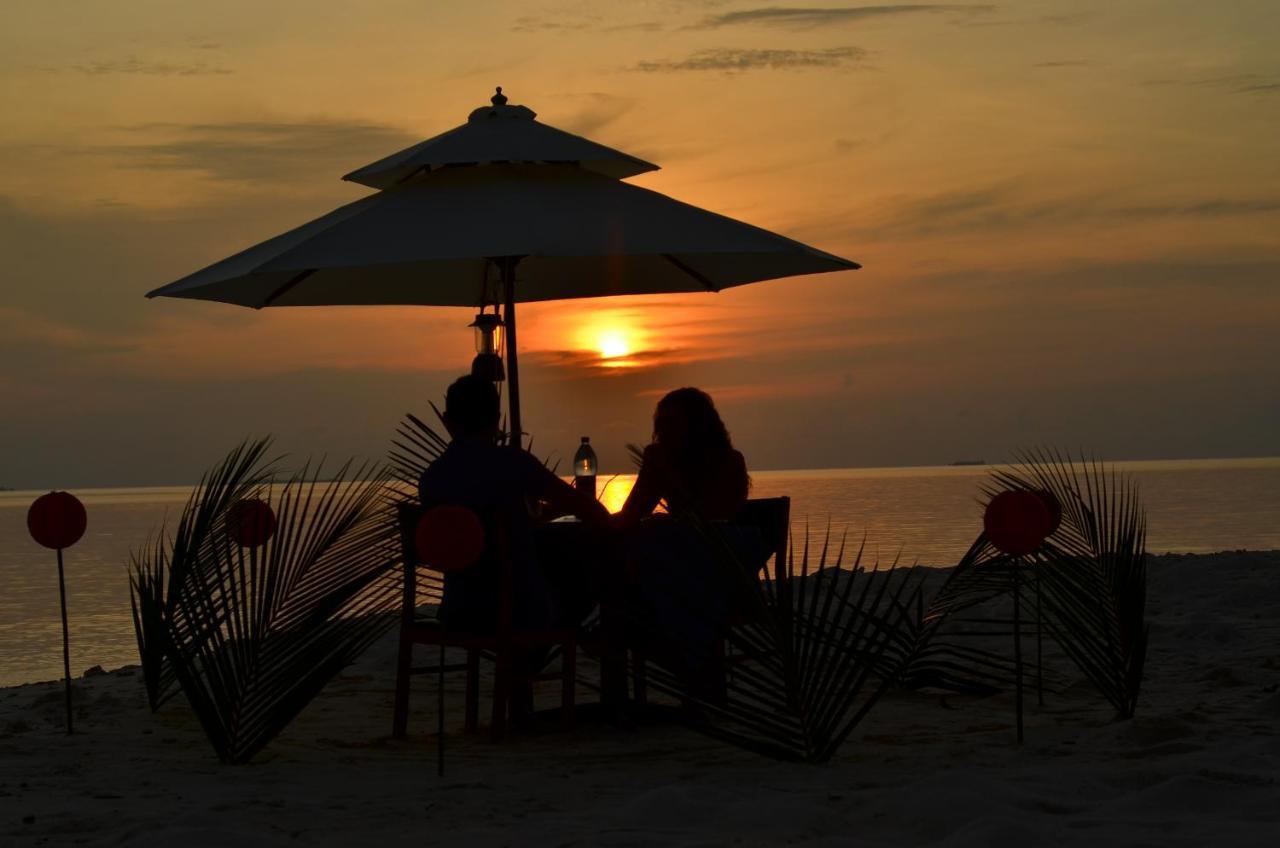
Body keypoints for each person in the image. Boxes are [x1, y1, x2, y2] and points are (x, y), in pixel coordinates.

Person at [417, 374, 609, 634]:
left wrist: (537, 515)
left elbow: (485, 526)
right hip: (520, 610)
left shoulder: (433, 478)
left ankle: (522, 667)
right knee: (593, 572)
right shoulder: (514, 463)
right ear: (497, 420)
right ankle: (529, 663)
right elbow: (593, 511)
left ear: (447, 421)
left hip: (459, 612)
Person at [615, 388, 762, 690]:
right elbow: (633, 513)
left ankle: (664, 645)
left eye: (673, 422)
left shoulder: (729, 462)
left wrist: (670, 478)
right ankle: (632, 629)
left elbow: (715, 516)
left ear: (697, 425)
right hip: (682, 554)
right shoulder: (661, 458)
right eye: (662, 422)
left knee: (654, 555)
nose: (664, 429)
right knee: (633, 551)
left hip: (720, 561)